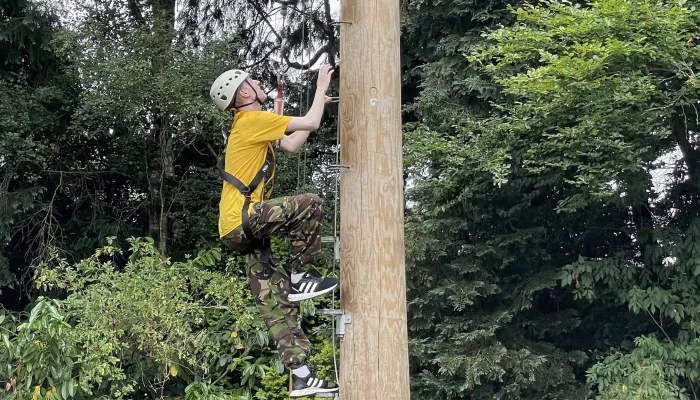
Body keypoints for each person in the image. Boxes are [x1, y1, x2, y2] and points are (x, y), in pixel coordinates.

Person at [210, 65, 340, 398]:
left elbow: (293, 144)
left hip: (235, 230)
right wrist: (321, 85)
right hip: (245, 219)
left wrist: (320, 102)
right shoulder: (252, 120)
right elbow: (309, 123)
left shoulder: (253, 125)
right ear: (243, 93)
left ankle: (301, 376)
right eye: (251, 81)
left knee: (275, 301)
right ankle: (300, 276)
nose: (257, 83)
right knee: (310, 204)